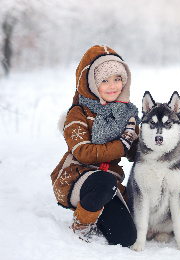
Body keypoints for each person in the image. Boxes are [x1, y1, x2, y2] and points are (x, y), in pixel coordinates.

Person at [51, 45, 140, 247]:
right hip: (75, 178)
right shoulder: (78, 113)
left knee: (126, 238)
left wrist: (154, 139)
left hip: (110, 184)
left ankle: (98, 215)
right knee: (103, 181)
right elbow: (84, 153)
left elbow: (137, 153)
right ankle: (81, 225)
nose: (113, 86)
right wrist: (122, 143)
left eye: (117, 79)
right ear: (91, 82)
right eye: (104, 80)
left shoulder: (125, 113)